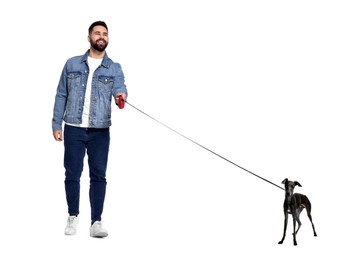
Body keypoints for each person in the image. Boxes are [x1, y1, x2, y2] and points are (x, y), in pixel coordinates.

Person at [52, 21, 127, 237]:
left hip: (100, 131)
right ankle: (73, 216)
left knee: (98, 175)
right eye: (97, 33)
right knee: (72, 173)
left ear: (108, 38)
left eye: (105, 34)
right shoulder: (72, 64)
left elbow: (120, 88)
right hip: (74, 127)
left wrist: (121, 97)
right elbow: (61, 94)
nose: (101, 36)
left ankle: (96, 222)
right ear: (89, 38)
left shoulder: (114, 68)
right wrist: (57, 124)